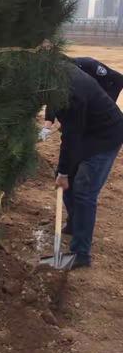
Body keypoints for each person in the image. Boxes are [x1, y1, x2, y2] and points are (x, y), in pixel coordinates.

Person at [54, 63, 123, 269]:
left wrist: (64, 172)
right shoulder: (58, 76)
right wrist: (63, 171)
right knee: (66, 180)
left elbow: (71, 136)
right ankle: (75, 224)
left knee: (84, 191)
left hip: (106, 137)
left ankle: (80, 254)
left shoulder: (72, 90)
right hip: (87, 132)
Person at [40, 57, 123, 141]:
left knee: (100, 117)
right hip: (89, 91)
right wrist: (47, 127)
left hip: (110, 86)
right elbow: (54, 98)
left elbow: (118, 80)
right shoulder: (61, 76)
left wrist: (108, 102)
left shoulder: (89, 65)